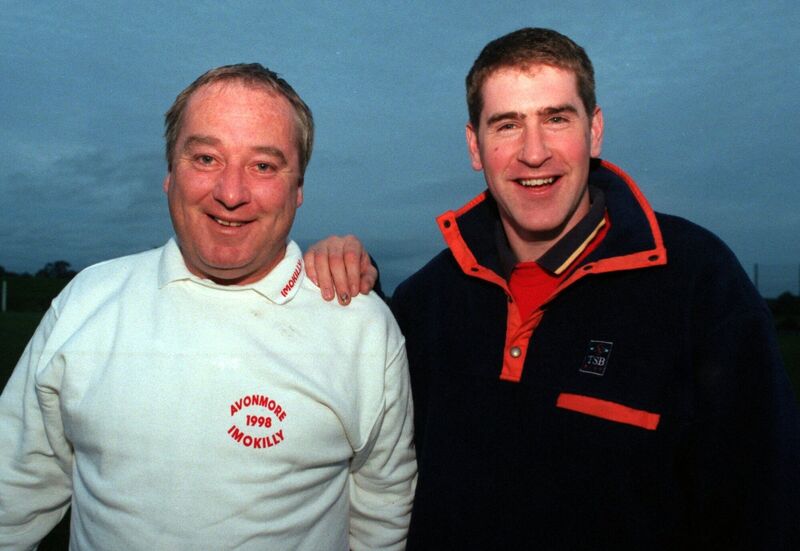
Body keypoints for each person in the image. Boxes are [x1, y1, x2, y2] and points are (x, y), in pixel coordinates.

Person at [305, 28, 800, 549]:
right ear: (476, 145)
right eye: (507, 125)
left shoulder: (699, 279)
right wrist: (350, 275)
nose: (533, 153)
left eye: (556, 118)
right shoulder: (427, 301)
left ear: (595, 131)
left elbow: (766, 505)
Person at [0, 63, 416, 550]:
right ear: (169, 173)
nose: (231, 193)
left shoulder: (360, 328)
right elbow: (15, 489)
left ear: (298, 189)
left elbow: (383, 507)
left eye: (263, 165)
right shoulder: (87, 301)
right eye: (205, 158)